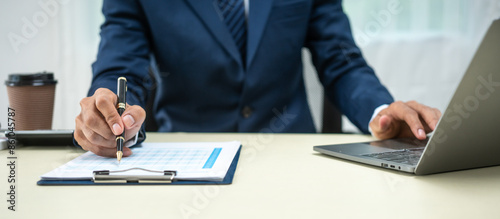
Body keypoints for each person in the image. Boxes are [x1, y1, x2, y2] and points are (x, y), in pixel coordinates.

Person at [74, 0, 441, 157]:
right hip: (187, 158)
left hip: (295, 161)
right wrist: (107, 110)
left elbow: (340, 59)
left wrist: (383, 112)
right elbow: (120, 65)